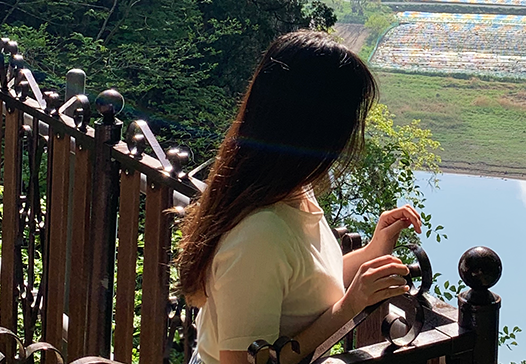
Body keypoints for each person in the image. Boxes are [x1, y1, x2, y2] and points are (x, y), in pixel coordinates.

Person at [178, 30, 422, 364]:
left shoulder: (289, 191)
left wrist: (373, 251)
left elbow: (304, 284)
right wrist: (350, 306)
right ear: (316, 128)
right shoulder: (259, 233)